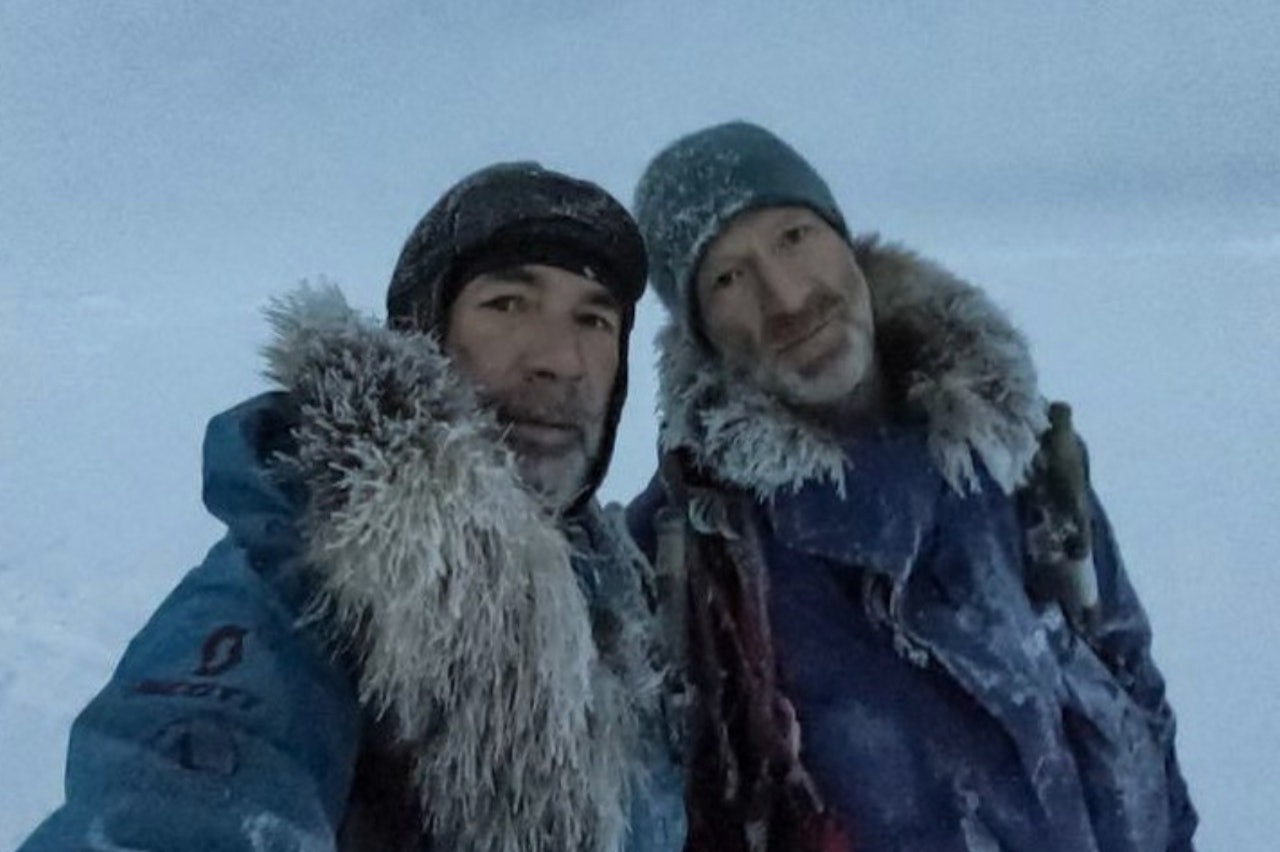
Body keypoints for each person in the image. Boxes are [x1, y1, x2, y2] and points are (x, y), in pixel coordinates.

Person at [19, 162, 686, 852]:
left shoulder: (614, 586)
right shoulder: (305, 575)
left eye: (594, 318)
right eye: (508, 304)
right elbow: (177, 799)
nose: (561, 360)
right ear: (422, 332)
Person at [626, 121, 1197, 852]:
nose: (788, 296)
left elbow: (1131, 680)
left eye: (795, 236)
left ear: (847, 243)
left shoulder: (1008, 446)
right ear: (700, 330)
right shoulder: (688, 557)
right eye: (729, 278)